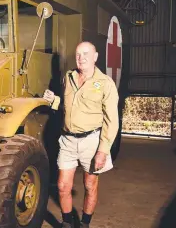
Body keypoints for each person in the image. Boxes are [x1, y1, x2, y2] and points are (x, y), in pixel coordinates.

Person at [43, 41, 119, 228]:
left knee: (89, 186)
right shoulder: (68, 77)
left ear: (95, 57)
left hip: (92, 141)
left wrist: (103, 150)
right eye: (78, 54)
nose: (81, 58)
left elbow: (112, 120)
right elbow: (67, 106)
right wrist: (54, 101)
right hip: (68, 140)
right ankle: (67, 223)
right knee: (62, 186)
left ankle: (84, 223)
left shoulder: (105, 84)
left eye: (86, 53)